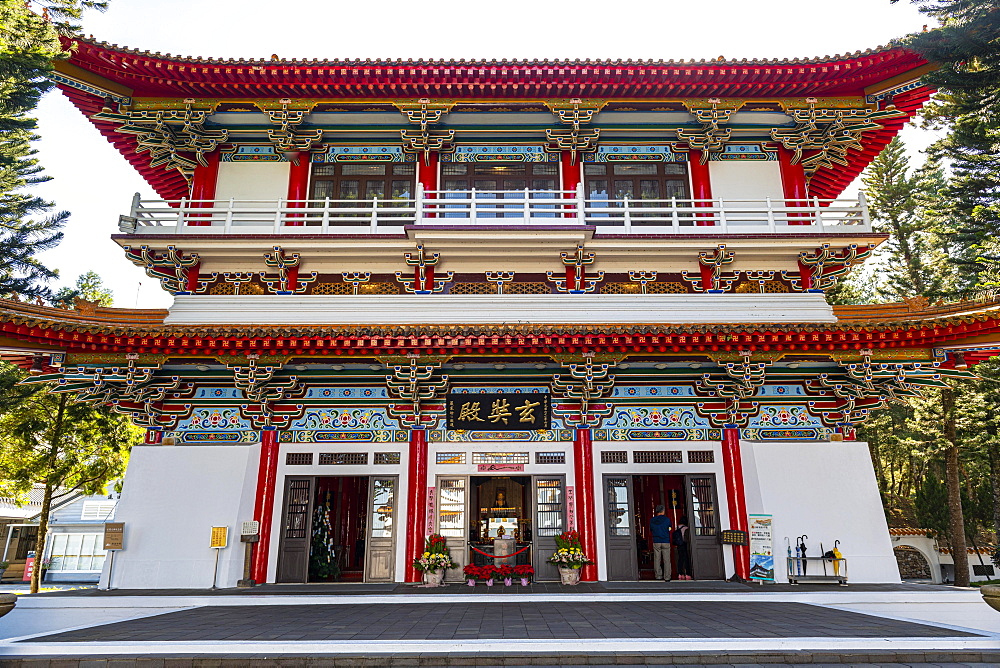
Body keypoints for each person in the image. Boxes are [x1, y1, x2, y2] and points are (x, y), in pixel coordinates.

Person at [650, 504, 673, 582]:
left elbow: (651, 529)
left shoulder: (652, 520)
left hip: (656, 541)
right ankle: (667, 577)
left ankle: (658, 575)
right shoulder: (667, 520)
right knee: (666, 559)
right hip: (665, 540)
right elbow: (669, 528)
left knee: (657, 559)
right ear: (663, 511)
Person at [674, 515, 692, 580]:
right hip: (685, 545)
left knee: (680, 559)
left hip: (679, 545)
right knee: (686, 559)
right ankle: (687, 574)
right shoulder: (687, 528)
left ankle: (680, 574)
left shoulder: (677, 527)